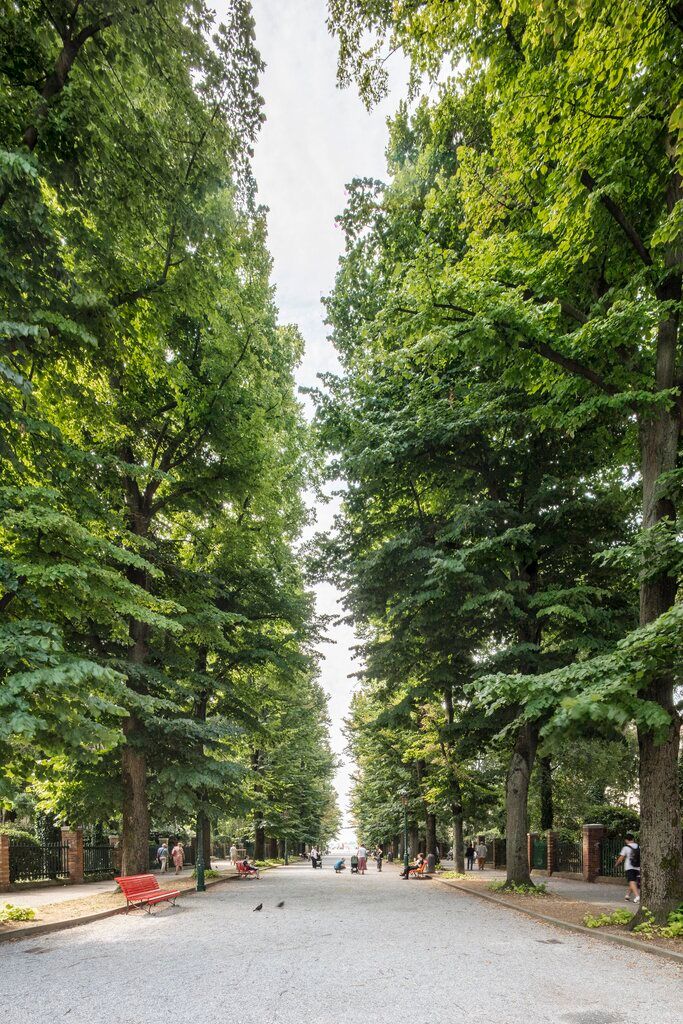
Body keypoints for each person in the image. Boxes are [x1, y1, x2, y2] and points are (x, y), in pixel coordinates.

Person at [615, 832, 641, 903]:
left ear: (626, 840)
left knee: (632, 881)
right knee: (633, 881)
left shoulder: (626, 847)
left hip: (629, 867)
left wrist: (616, 864)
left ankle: (637, 896)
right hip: (638, 867)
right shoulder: (638, 847)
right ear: (633, 839)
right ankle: (627, 895)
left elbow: (621, 858)